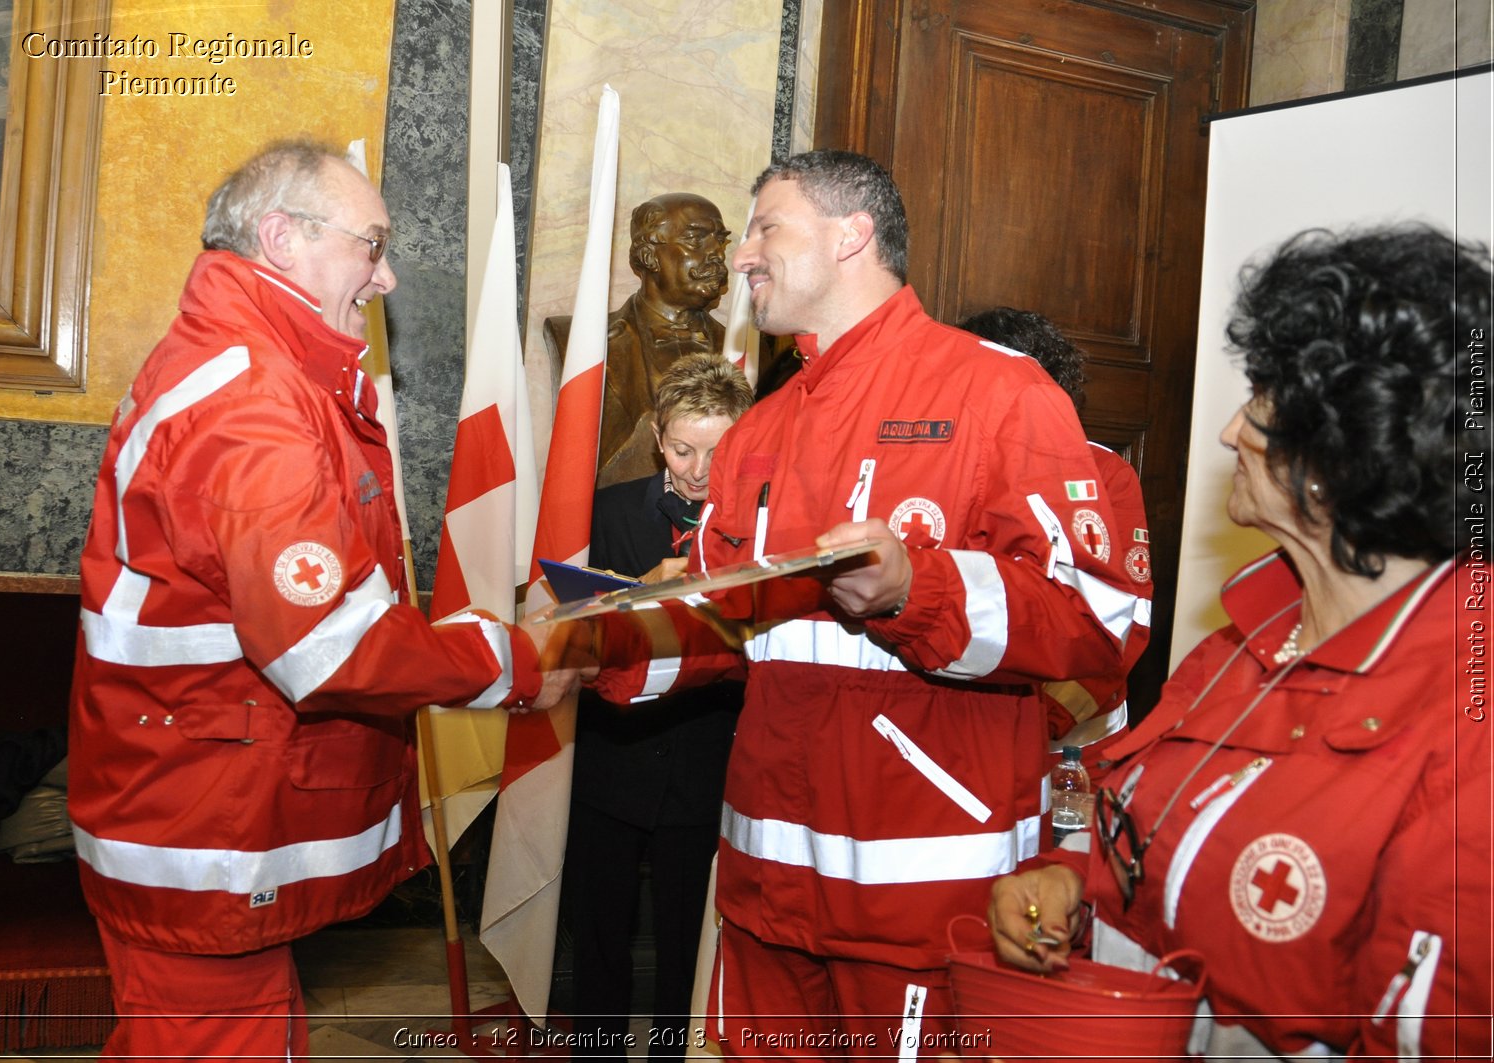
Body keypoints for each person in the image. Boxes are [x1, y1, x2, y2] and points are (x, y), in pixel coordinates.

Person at [580, 150, 1148, 1056]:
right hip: (766, 882)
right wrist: (594, 638)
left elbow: (1099, 622)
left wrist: (920, 588)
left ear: (854, 235)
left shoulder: (998, 390)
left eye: (766, 226)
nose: (742, 256)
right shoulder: (759, 426)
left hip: (921, 896)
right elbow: (738, 630)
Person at [67, 140, 582, 1060]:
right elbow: (328, 647)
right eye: (370, 244)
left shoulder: (248, 367)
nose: (383, 276)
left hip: (196, 803)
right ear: (282, 239)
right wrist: (504, 661)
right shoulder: (254, 399)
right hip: (206, 822)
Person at [986, 226, 1493, 1060]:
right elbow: (1170, 855)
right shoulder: (1236, 648)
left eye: (1260, 403)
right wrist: (1072, 887)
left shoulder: (1468, 724)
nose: (1228, 431)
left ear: (1337, 457)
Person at [564, 353, 753, 1060]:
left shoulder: (764, 530)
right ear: (655, 437)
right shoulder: (602, 513)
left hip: (710, 769)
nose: (699, 470)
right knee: (600, 940)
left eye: (719, 450)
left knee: (688, 949)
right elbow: (563, 631)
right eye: (683, 448)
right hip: (611, 763)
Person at [960, 307, 1152, 773]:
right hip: (969, 730)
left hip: (1073, 743)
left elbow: (1126, 618)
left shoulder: (1106, 474)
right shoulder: (950, 469)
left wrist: (1043, 718)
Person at [544, 192, 731, 488]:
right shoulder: (580, 340)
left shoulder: (746, 349)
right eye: (696, 240)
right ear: (648, 256)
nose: (717, 254)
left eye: (719, 241)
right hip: (619, 522)